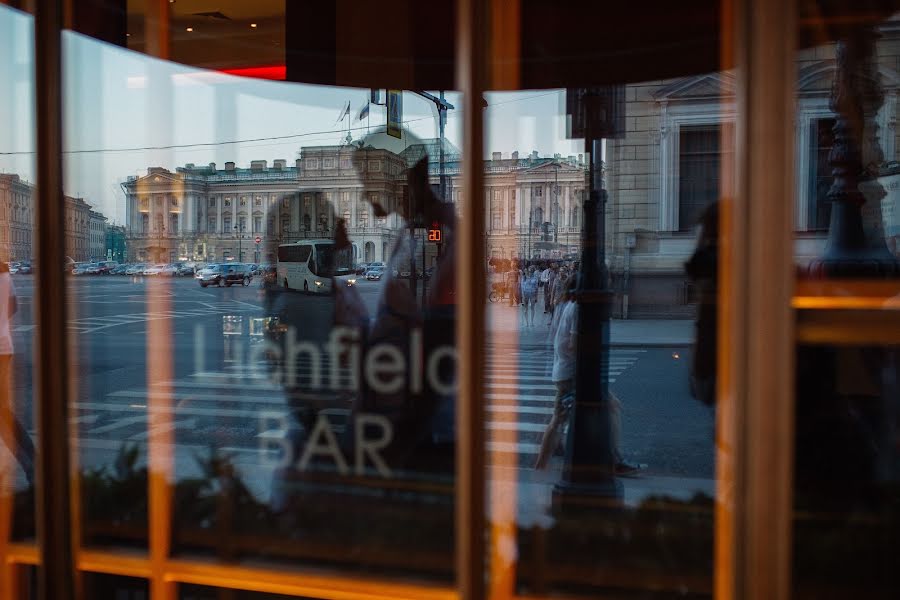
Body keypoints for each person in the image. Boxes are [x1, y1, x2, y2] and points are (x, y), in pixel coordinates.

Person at [0, 260, 34, 486]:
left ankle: (32, 463)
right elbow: (13, 306)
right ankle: (31, 463)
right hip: (4, 346)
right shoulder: (4, 273)